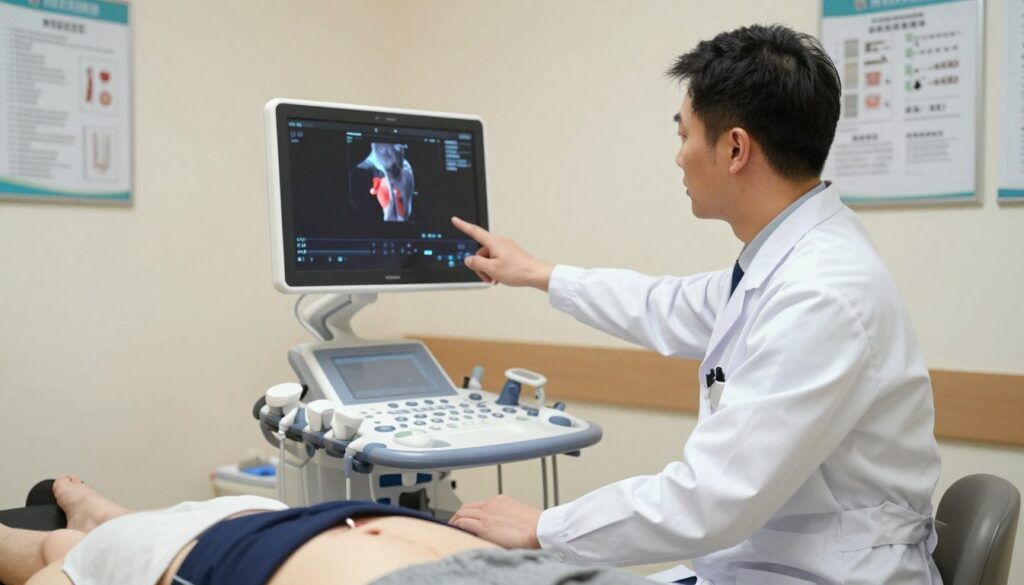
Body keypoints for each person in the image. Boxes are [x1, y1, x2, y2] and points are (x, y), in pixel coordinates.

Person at [447, 24, 942, 585]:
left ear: (735, 149)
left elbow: (710, 499)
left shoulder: (820, 292)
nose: (679, 157)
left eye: (684, 135)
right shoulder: (786, 262)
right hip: (764, 563)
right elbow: (663, 304)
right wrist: (538, 273)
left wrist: (544, 528)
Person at [0, 475, 656, 585]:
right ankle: (105, 518)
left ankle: (96, 525)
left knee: (67, 552)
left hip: (244, 542)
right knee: (116, 539)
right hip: (282, 520)